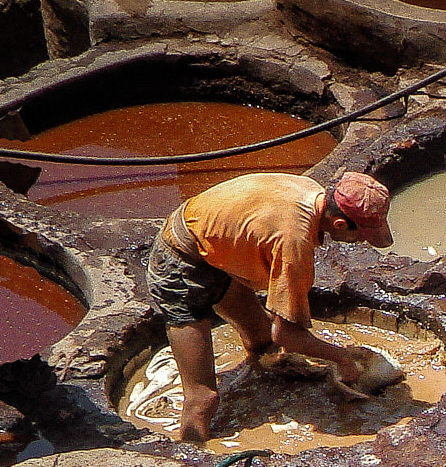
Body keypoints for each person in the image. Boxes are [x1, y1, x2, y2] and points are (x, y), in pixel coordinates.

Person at [147, 171, 394, 443]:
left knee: (263, 342)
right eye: (361, 235)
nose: (362, 242)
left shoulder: (310, 191)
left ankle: (258, 376)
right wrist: (343, 358)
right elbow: (287, 335)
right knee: (203, 399)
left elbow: (275, 336)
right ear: (339, 223)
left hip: (212, 246)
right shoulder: (294, 240)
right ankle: (189, 461)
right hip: (180, 263)